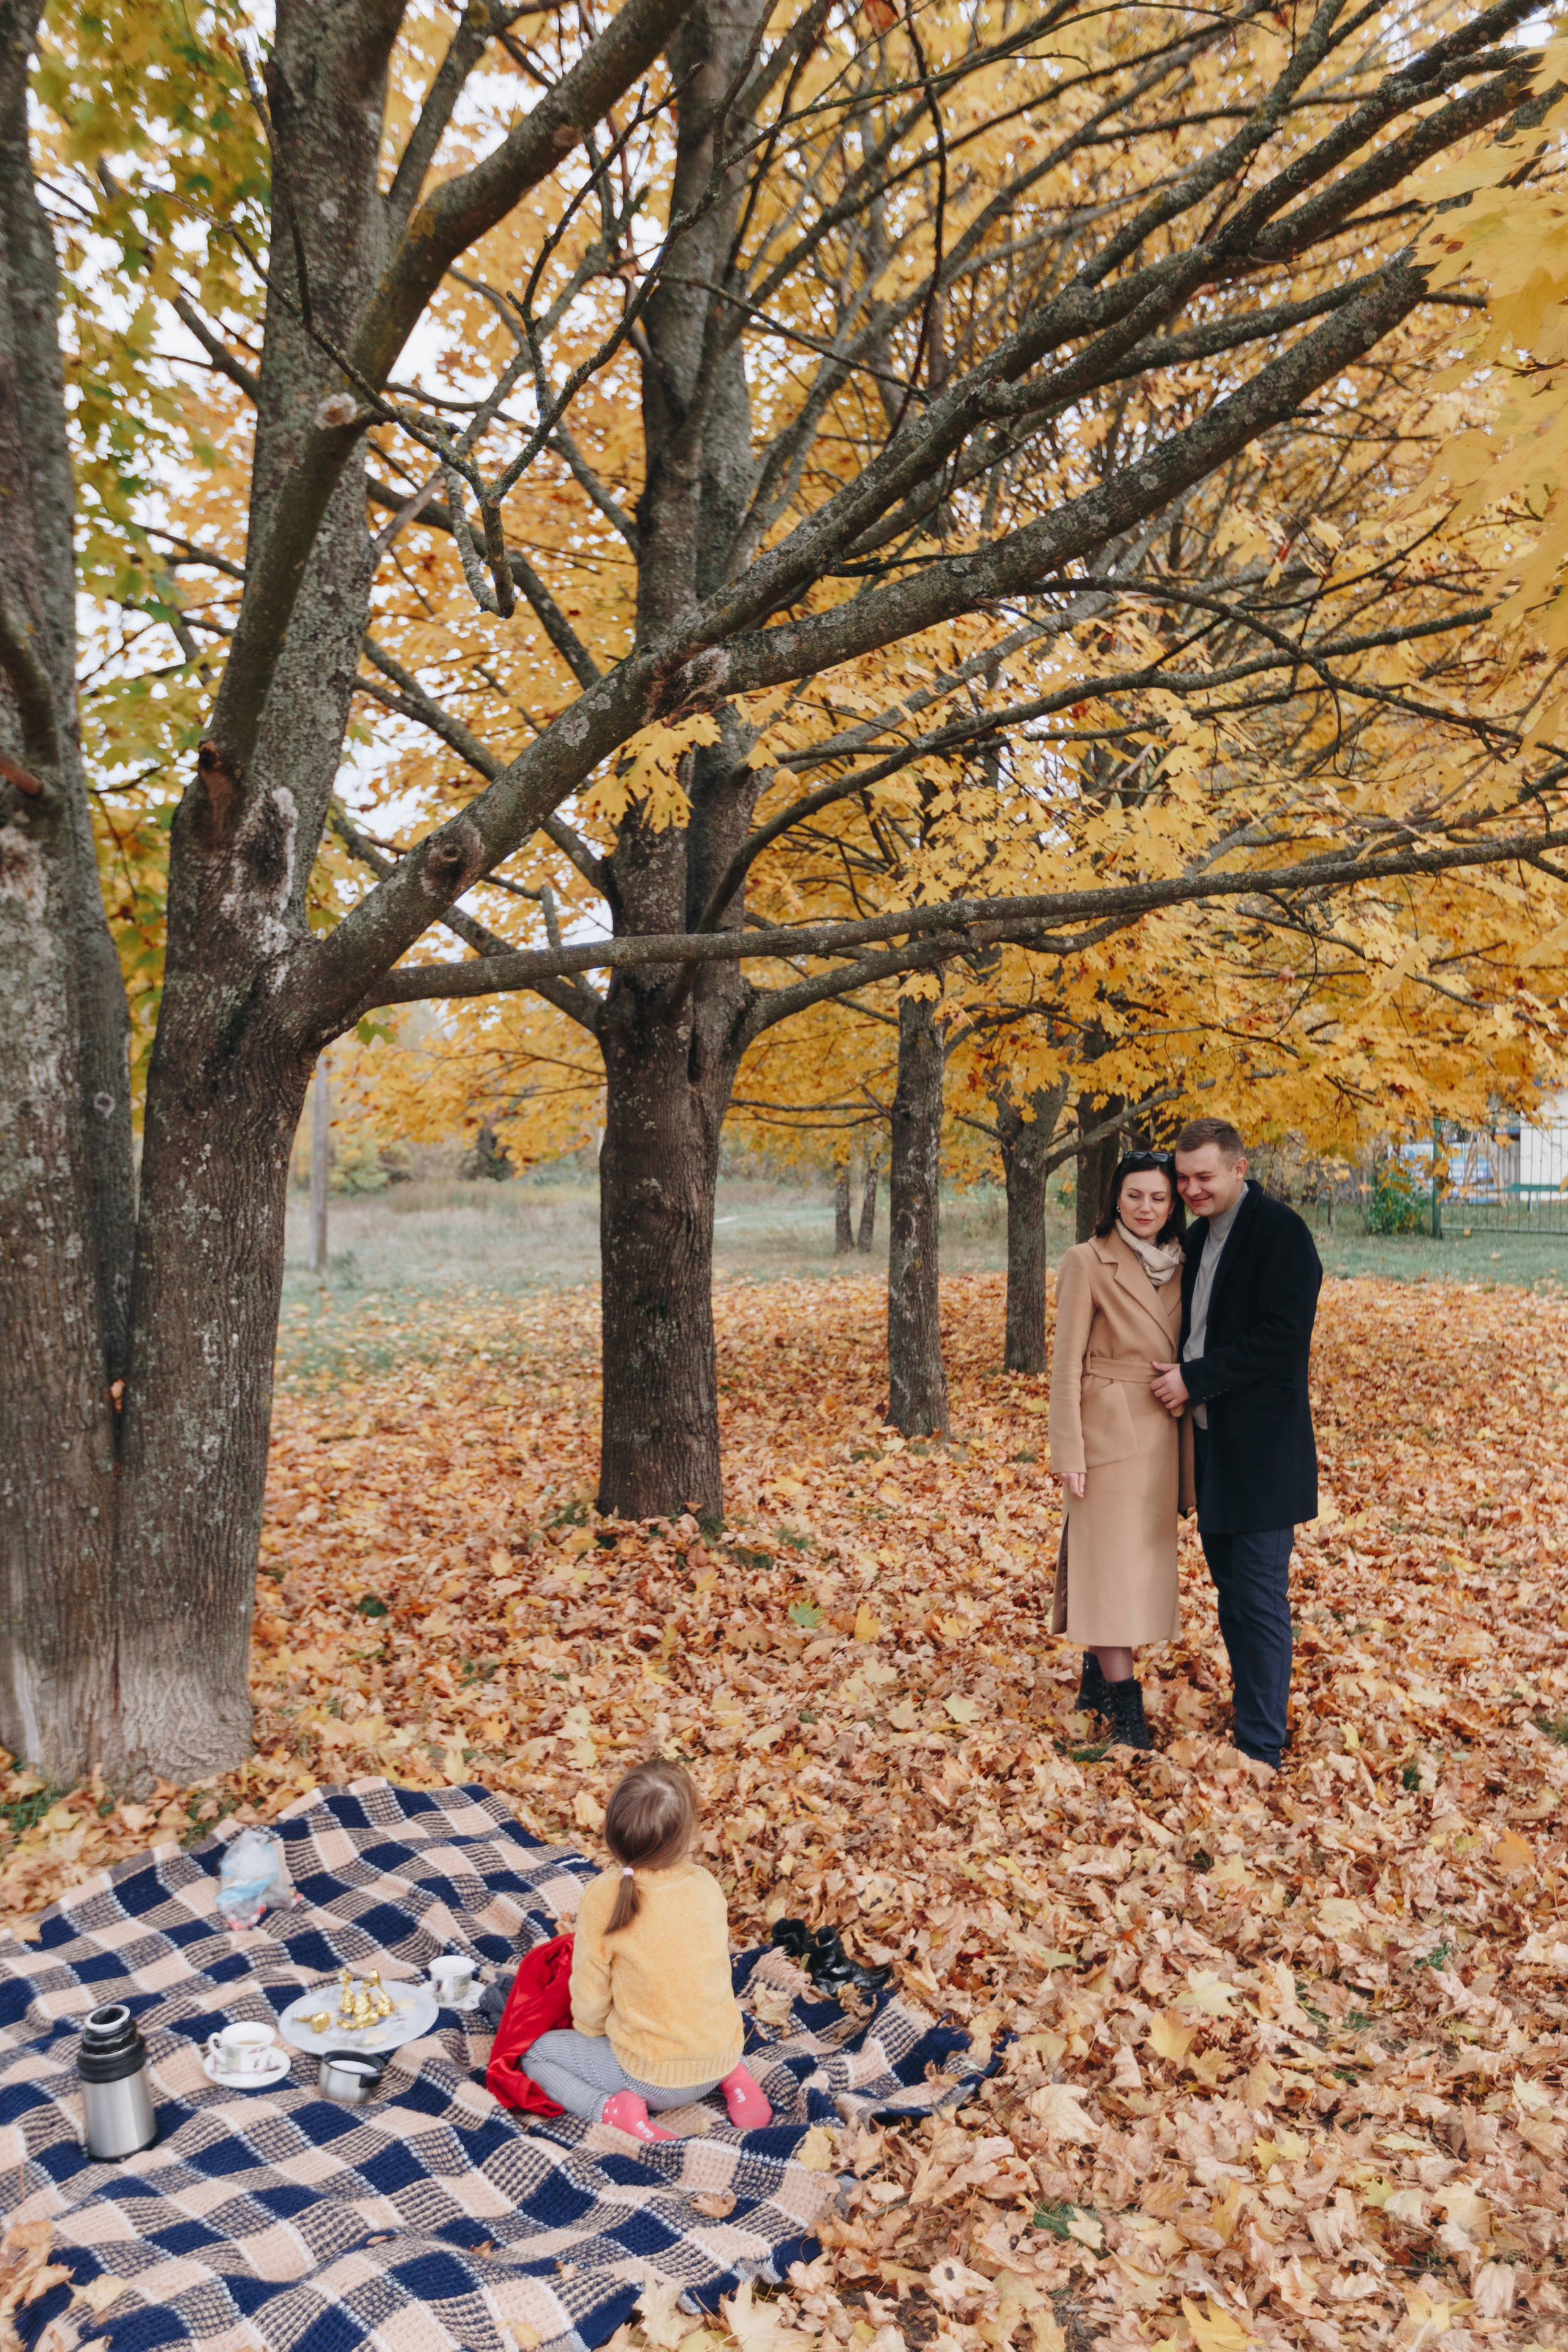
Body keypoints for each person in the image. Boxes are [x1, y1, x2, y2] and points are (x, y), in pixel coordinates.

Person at [1151, 1117, 1322, 1773]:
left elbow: (1283, 1336)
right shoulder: (1197, 1237)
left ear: (1238, 1169)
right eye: (1183, 1178)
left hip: (1261, 1450)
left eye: (1204, 1177)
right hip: (1210, 1447)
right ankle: (1254, 1714)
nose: (1191, 1188)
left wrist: (1195, 1379)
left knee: (1257, 1596)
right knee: (1231, 1593)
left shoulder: (1281, 1234)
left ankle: (1260, 1744)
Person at [521, 1758, 773, 2142]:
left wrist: (589, 2031)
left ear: (612, 1832)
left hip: (650, 2079)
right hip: (719, 2051)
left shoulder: (604, 1896)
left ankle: (612, 2110)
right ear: (689, 1835)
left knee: (537, 2055)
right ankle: (735, 2076)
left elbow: (589, 1995)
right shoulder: (706, 1885)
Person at [1049, 1150, 1193, 1751]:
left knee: (1137, 1570)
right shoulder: (1087, 1260)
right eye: (1134, 1196)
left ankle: (1094, 1680)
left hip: (1163, 1430)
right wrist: (1068, 1451)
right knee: (1109, 1572)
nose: (1145, 1209)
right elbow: (1064, 1364)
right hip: (1106, 1432)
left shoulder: (1188, 1263)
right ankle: (1127, 1716)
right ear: (1115, 1198)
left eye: (1158, 1198)